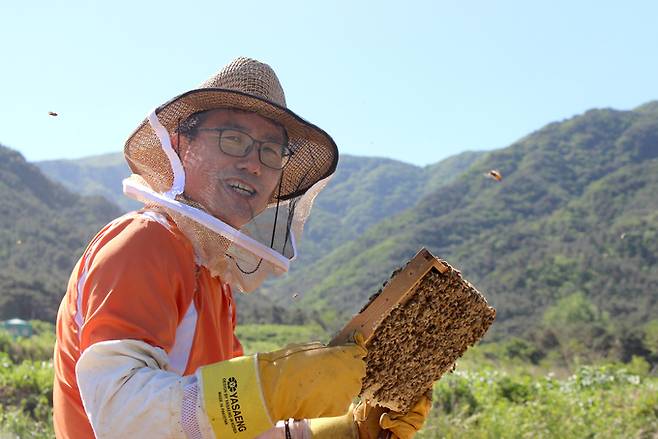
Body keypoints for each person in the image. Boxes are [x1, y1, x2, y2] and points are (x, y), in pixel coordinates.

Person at [53, 57, 430, 438]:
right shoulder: (145, 243)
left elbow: (226, 426)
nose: (254, 164)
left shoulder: (214, 276)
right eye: (234, 140)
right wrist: (272, 385)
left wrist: (345, 431)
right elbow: (121, 416)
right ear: (184, 145)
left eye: (270, 152)